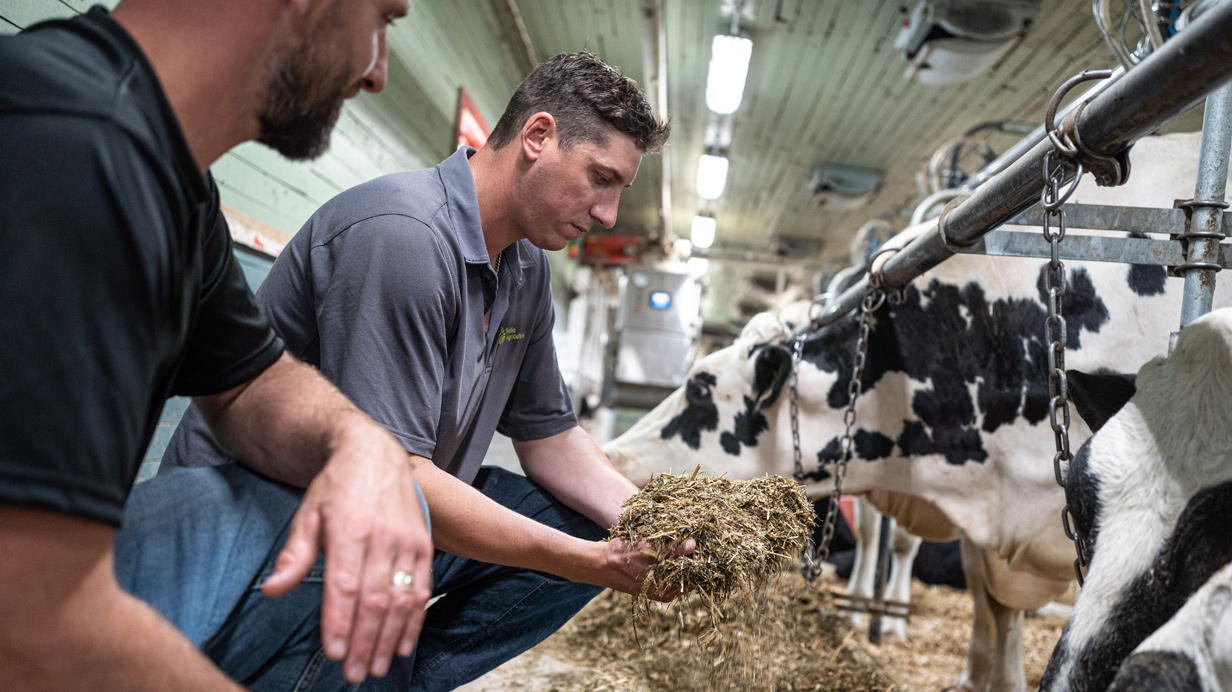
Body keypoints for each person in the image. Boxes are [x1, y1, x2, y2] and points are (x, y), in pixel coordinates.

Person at [155, 51, 687, 690]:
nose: (606, 213)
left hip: (393, 509)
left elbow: (549, 439)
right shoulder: (403, 236)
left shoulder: (526, 269)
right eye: (601, 178)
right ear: (538, 137)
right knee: (546, 549)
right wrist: (588, 564)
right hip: (265, 532)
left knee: (579, 518)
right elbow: (394, 475)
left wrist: (662, 524)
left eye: (618, 190)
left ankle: (401, 679)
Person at [0, 1, 434, 690]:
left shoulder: (168, 171)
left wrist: (363, 444)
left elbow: (248, 381)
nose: (377, 72)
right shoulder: (78, 150)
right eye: (382, 18)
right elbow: (24, 627)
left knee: (379, 507)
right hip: (22, 616)